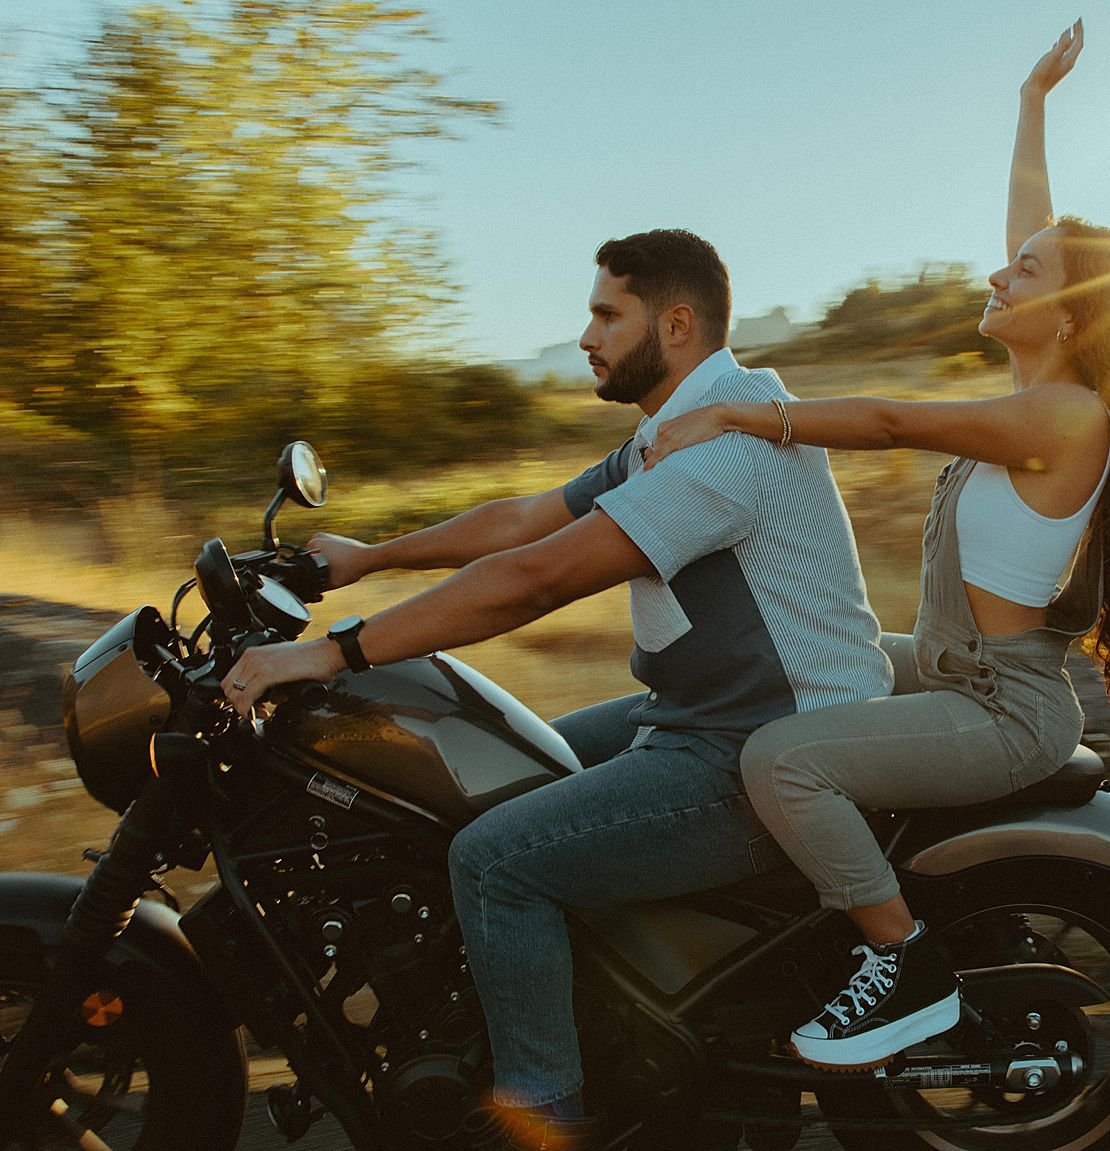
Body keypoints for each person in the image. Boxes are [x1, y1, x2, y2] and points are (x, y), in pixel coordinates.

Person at [222, 229, 893, 1150]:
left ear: (679, 323)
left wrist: (334, 655)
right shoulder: (680, 428)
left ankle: (544, 1115)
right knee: (493, 776)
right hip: (701, 722)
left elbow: (537, 577)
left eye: (606, 314)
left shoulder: (727, 447)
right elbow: (526, 518)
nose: (586, 335)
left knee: (495, 860)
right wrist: (372, 556)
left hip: (768, 753)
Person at [644, 20, 1110, 1072]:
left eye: (1020, 275)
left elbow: (895, 422)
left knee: (782, 758)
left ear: (1071, 316)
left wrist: (740, 417)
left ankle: (903, 959)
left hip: (1002, 708)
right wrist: (1032, 102)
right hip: (951, 668)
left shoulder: (1067, 419)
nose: (997, 277)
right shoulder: (1047, 390)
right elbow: (1036, 231)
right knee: (791, 664)